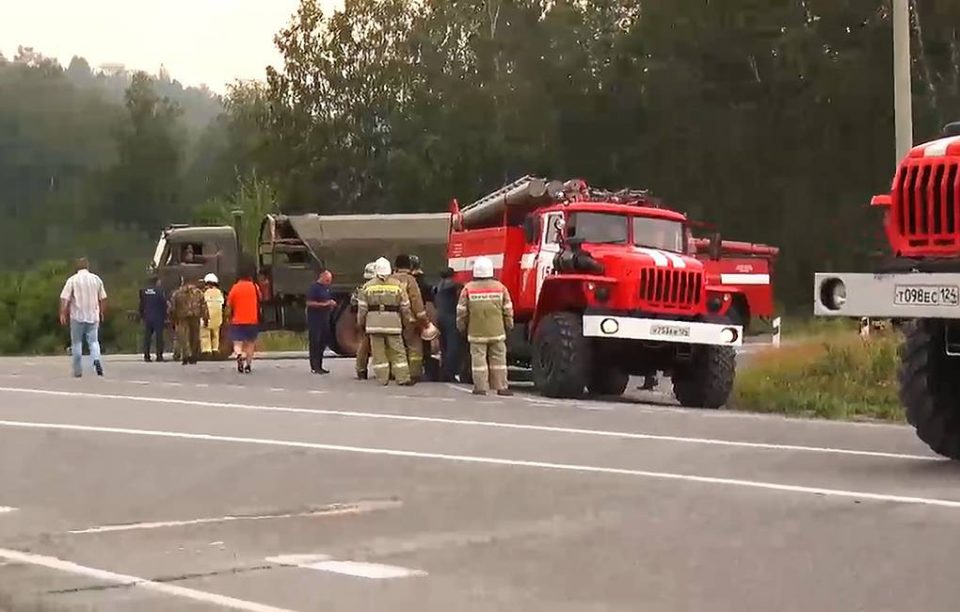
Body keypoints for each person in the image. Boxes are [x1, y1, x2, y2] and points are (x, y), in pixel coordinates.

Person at [456, 256, 514, 396]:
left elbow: (461, 312)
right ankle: (501, 387)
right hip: (497, 331)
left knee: (478, 361)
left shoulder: (468, 288)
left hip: (476, 333)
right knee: (499, 359)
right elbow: (508, 309)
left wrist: (461, 327)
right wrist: (509, 325)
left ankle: (480, 387)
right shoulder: (501, 288)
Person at [357, 257, 413, 386]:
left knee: (378, 353)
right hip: (393, 323)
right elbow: (405, 306)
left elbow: (362, 309)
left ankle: (382, 379)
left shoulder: (367, 286)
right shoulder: (397, 285)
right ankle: (403, 378)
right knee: (398, 352)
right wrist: (407, 320)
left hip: (373, 324)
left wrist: (361, 322)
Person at [59, 257, 107, 378]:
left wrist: (62, 313)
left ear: (77, 267)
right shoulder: (96, 279)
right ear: (88, 266)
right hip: (93, 315)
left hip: (77, 316)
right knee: (94, 341)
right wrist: (101, 312)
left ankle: (78, 370)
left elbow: (65, 298)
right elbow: (103, 298)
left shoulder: (72, 280)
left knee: (77, 343)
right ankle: (96, 359)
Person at [392, 254, 428, 382]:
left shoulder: (390, 280)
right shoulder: (411, 280)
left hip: (393, 318)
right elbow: (416, 300)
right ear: (410, 266)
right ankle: (414, 373)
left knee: (396, 347)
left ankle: (395, 372)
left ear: (395, 266)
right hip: (409, 320)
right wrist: (423, 320)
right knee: (414, 347)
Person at [227, 263, 261, 373]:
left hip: (238, 320)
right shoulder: (254, 287)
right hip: (252, 320)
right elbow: (260, 298)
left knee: (237, 343)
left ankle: (239, 355)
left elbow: (229, 304)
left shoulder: (235, 287)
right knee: (250, 343)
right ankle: (248, 365)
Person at [168, 278, 209, 365]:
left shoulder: (177, 293)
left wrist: (172, 319)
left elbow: (172, 308)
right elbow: (203, 306)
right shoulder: (198, 292)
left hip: (182, 316)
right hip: (195, 316)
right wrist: (205, 317)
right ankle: (194, 356)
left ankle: (186, 355)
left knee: (184, 337)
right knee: (195, 336)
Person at [432, 267, 462, 382]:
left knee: (443, 346)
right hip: (450, 318)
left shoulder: (437, 287)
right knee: (452, 346)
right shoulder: (453, 286)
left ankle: (443, 371)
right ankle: (450, 373)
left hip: (440, 317)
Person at [306, 268, 337, 374]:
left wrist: (331, 305)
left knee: (323, 343)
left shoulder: (326, 288)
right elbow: (309, 303)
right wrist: (325, 304)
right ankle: (314, 366)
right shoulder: (314, 288)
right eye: (327, 280)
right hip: (315, 319)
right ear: (322, 277)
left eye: (330, 281)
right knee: (315, 342)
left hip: (325, 318)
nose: (329, 283)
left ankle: (319, 365)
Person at [350, 262, 376, 379]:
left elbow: (353, 306)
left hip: (364, 320)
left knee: (363, 347)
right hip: (375, 320)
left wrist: (359, 321)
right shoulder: (377, 287)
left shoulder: (360, 289)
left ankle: (361, 370)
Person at [138, 275, 167, 362]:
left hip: (147, 317)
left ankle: (146, 356)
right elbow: (163, 304)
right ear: (157, 281)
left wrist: (142, 315)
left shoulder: (143, 291)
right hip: (158, 317)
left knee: (147, 337)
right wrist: (165, 316)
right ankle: (159, 356)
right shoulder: (160, 291)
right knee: (159, 337)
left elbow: (141, 304)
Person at [200, 273, 225, 359]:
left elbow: (202, 304)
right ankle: (215, 349)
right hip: (218, 317)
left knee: (205, 334)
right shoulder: (219, 292)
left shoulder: (205, 292)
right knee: (215, 334)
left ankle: (207, 351)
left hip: (207, 316)